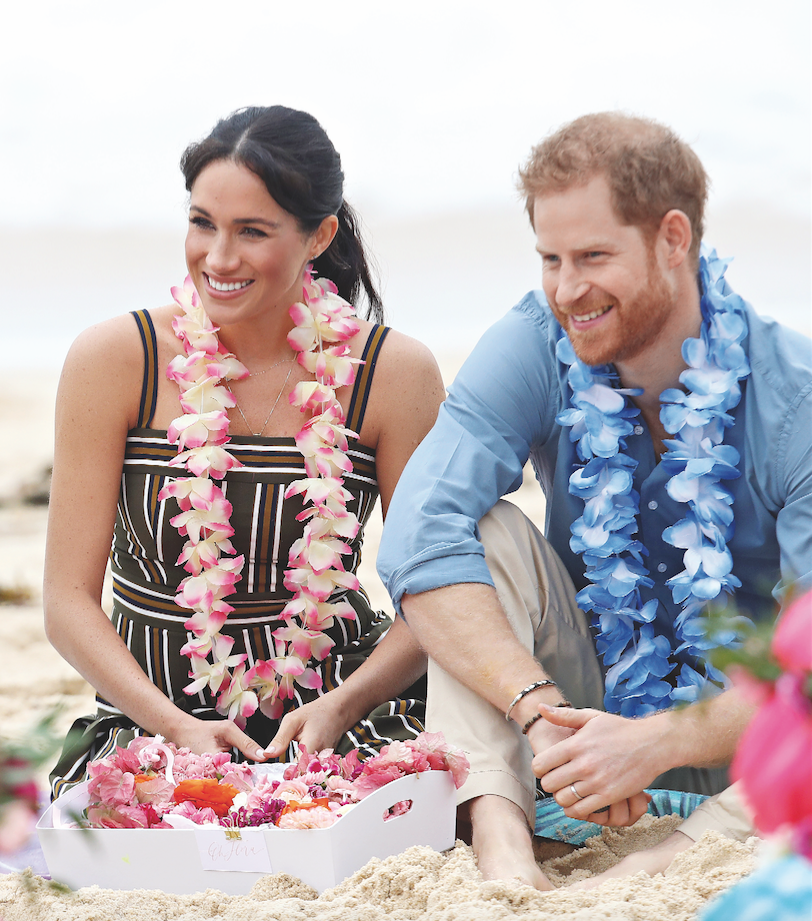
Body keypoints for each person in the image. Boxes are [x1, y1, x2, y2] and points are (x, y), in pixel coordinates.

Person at [377, 112, 812, 888]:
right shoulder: (535, 340)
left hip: (750, 739)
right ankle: (500, 836)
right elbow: (416, 533)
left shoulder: (794, 400)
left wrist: (658, 741)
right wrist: (539, 711)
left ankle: (671, 858)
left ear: (672, 240)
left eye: (593, 257)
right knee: (482, 529)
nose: (567, 289)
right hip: (583, 716)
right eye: (550, 258)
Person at [46, 105, 445, 797]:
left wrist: (344, 706)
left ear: (319, 235)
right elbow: (66, 599)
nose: (219, 258)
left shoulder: (391, 374)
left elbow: (437, 592)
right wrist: (175, 726)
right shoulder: (117, 360)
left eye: (252, 231)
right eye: (203, 223)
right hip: (151, 722)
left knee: (404, 804)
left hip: (346, 712)